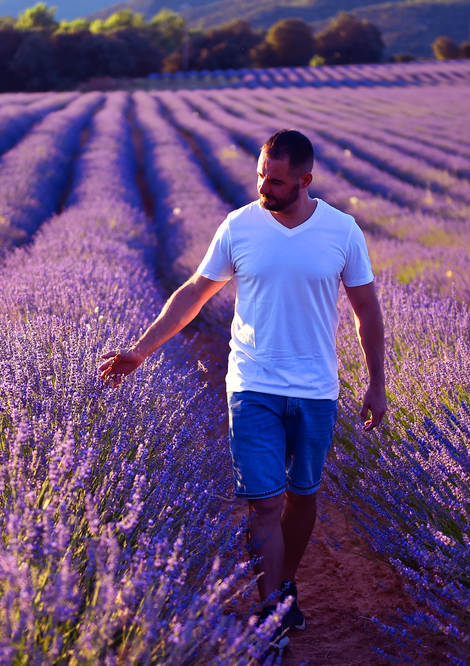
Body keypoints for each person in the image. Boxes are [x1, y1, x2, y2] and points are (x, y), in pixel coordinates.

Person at [98, 129, 386, 654]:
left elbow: (367, 310)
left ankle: (288, 582)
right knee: (264, 503)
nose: (263, 187)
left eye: (275, 181)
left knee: (304, 496)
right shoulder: (239, 226)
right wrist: (141, 351)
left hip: (317, 389)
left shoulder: (342, 232)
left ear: (305, 180)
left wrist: (377, 384)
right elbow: (193, 293)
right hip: (252, 385)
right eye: (260, 175)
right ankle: (271, 602)